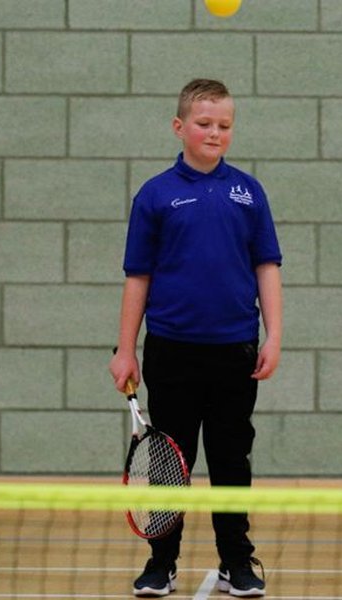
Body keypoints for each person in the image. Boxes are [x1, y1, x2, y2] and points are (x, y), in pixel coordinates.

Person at [109, 78, 282, 598]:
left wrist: (274, 335)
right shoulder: (156, 194)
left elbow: (266, 266)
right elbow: (137, 276)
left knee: (232, 461)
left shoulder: (249, 193)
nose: (215, 133)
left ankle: (237, 561)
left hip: (236, 351)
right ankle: (161, 563)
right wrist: (125, 349)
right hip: (171, 351)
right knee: (171, 462)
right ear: (179, 127)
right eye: (204, 124)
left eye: (224, 125)